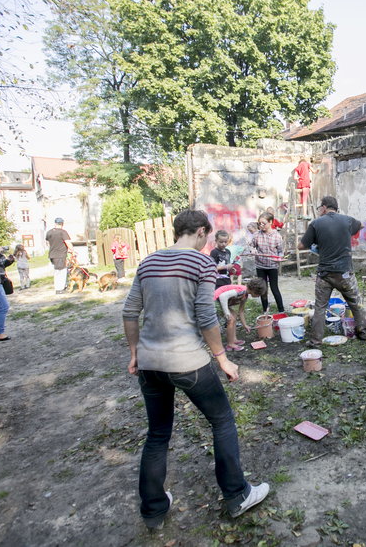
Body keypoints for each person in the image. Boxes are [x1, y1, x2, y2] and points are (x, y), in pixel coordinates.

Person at [122, 210, 269, 531]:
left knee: (158, 434)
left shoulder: (147, 262)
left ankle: (154, 510)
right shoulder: (200, 262)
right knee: (222, 421)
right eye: (207, 236)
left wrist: (135, 352)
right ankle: (236, 494)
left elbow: (130, 310)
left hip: (150, 363)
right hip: (187, 360)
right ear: (201, 231)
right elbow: (205, 316)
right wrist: (222, 359)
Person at [298, 195, 366, 346]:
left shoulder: (316, 223)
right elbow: (361, 225)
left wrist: (316, 245)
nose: (319, 211)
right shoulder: (347, 220)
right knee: (356, 302)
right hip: (345, 273)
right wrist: (344, 235)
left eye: (319, 208)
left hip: (325, 275)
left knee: (320, 307)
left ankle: (316, 340)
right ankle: (362, 332)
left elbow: (301, 246)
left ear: (324, 207)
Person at [214, 278, 267, 351]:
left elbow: (241, 311)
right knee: (231, 319)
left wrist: (245, 325)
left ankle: (234, 339)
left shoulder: (245, 295)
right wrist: (227, 313)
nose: (258, 296)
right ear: (255, 290)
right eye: (259, 294)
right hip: (214, 301)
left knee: (234, 315)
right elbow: (223, 296)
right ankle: (230, 344)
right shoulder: (242, 290)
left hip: (220, 301)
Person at [252, 212, 285, 313]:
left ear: (270, 222)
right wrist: (252, 250)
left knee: (274, 288)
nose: (261, 226)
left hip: (272, 266)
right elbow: (251, 246)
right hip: (260, 266)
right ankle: (265, 310)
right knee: (263, 289)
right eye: (259, 223)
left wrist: (279, 257)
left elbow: (280, 251)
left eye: (264, 223)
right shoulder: (256, 235)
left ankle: (281, 311)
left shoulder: (277, 236)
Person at [46, 218, 72, 295]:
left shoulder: (49, 232)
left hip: (52, 254)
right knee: (61, 271)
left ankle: (60, 287)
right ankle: (60, 288)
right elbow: (68, 242)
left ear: (55, 223)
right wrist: (72, 250)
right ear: (62, 224)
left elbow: (48, 243)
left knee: (57, 271)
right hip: (60, 255)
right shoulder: (62, 232)